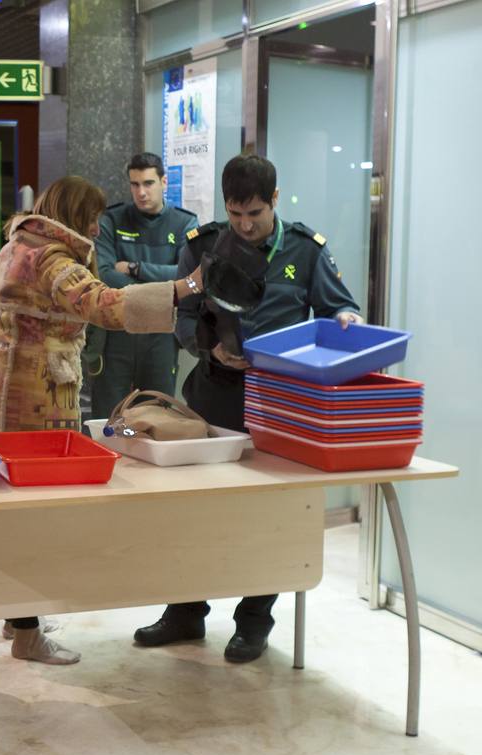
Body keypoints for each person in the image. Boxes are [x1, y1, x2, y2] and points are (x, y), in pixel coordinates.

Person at [135, 154, 361, 663]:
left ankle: (254, 621)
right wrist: (207, 346)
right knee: (194, 512)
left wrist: (347, 316)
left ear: (274, 201)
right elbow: (182, 317)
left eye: (254, 213)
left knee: (267, 516)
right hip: (212, 396)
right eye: (235, 213)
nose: (244, 224)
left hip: (279, 404)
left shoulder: (305, 250)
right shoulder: (204, 246)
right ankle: (185, 613)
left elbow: (337, 308)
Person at [0, 175, 202, 665]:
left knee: (15, 509)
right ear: (74, 214)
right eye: (91, 216)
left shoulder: (20, 243)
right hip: (32, 393)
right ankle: (27, 634)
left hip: (7, 388)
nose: (98, 227)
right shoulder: (50, 258)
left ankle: (19, 617)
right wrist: (185, 289)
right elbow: (106, 305)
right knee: (33, 517)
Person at [88, 153, 198, 418]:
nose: (141, 192)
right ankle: (113, 459)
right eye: (135, 184)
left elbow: (186, 276)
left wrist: (136, 268)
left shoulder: (185, 223)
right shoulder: (112, 220)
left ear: (164, 182)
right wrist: (162, 286)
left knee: (157, 416)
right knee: (110, 419)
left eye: (148, 183)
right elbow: (104, 275)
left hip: (161, 332)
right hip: (116, 333)